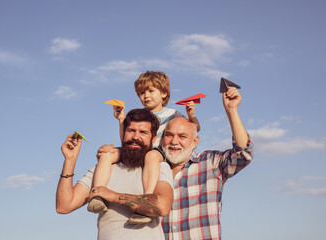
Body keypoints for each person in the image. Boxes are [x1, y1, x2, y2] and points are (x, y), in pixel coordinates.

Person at [89, 71, 201, 223]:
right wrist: (122, 120)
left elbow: (194, 128)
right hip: (135, 150)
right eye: (141, 93)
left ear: (163, 93)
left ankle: (147, 200)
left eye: (150, 91)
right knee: (107, 154)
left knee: (152, 156)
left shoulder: (173, 114)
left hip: (156, 152)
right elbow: (125, 139)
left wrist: (191, 116)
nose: (145, 96)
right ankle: (97, 194)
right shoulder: (139, 115)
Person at [56, 109, 174, 240]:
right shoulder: (103, 168)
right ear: (123, 133)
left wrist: (112, 195)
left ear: (153, 140)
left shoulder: (159, 167)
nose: (135, 137)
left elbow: (162, 207)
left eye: (143, 132)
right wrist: (70, 160)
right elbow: (64, 206)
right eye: (131, 130)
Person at [160, 86, 254, 239]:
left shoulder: (211, 163)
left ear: (195, 141)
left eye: (182, 136)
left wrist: (231, 110)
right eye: (169, 135)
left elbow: (244, 153)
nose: (174, 141)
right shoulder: (154, 171)